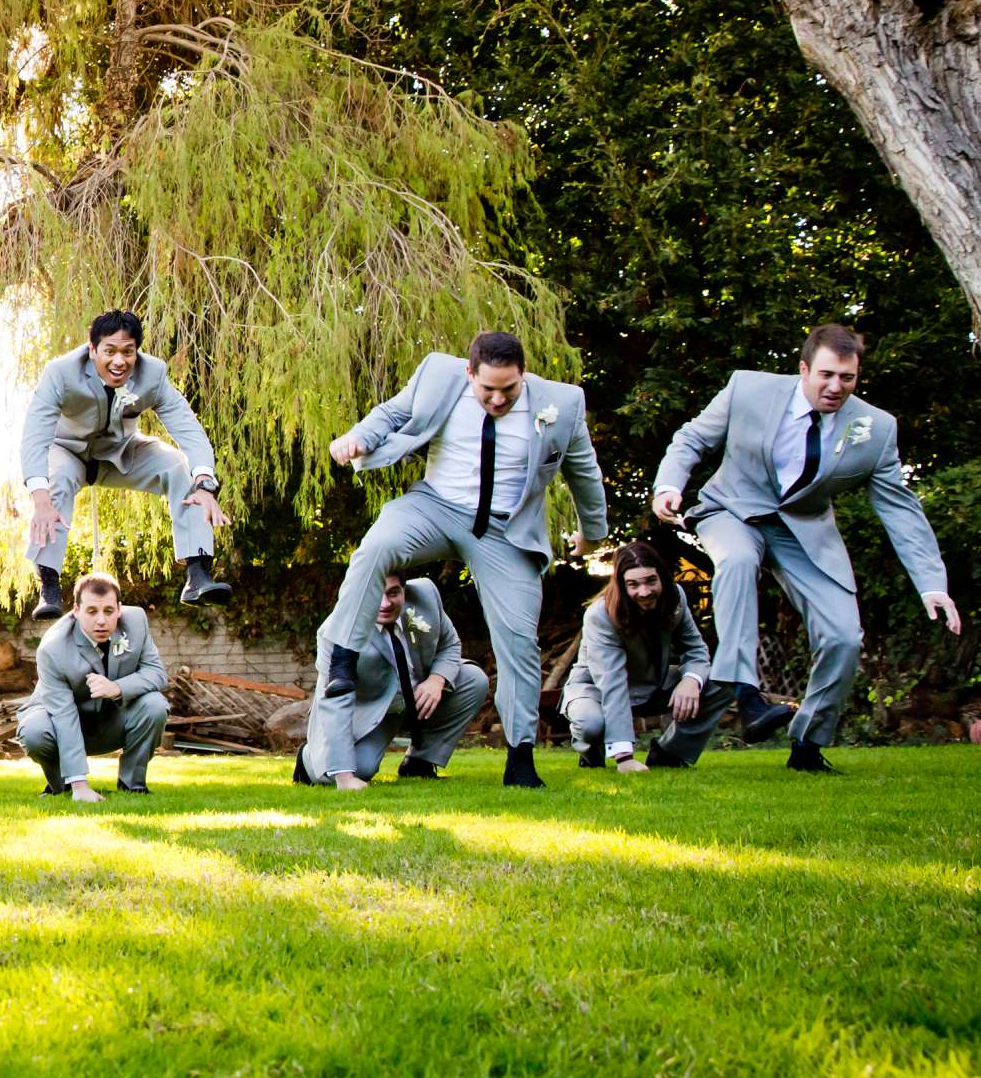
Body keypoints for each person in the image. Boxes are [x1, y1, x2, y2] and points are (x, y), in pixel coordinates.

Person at [653, 324, 959, 773]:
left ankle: (807, 747)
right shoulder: (748, 389)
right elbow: (692, 439)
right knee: (736, 562)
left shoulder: (875, 429)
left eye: (848, 378)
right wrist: (669, 485)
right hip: (732, 511)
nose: (836, 387)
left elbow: (901, 511)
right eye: (826, 375)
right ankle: (747, 695)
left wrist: (932, 584)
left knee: (843, 638)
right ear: (803, 369)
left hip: (803, 534)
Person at [316, 331, 608, 788]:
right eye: (486, 388)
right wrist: (357, 437)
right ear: (468, 372)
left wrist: (593, 534)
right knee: (375, 548)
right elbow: (393, 413)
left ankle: (521, 757)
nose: (496, 399)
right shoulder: (438, 373)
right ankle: (343, 660)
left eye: (508, 390)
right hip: (434, 506)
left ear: (523, 376)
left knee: (518, 638)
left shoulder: (564, 405)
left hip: (504, 530)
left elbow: (583, 471)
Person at [19, 311, 230, 619]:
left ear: (136, 351)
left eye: (127, 351)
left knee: (179, 466)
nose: (119, 361)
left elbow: (188, 427)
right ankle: (49, 584)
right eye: (110, 351)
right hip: (67, 452)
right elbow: (35, 435)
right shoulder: (60, 373)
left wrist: (206, 485)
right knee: (55, 483)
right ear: (92, 350)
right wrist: (39, 498)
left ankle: (197, 574)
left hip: (121, 453)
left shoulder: (153, 375)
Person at [295, 570, 489, 789]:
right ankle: (307, 759)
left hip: (418, 697)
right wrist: (344, 776)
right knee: (360, 769)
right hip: (371, 711)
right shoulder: (337, 631)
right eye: (377, 594)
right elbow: (335, 700)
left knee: (474, 680)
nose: (385, 603)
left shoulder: (425, 595)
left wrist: (436, 679)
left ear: (404, 590)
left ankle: (418, 763)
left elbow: (450, 644)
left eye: (393, 593)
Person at [564, 542, 733, 771]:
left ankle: (669, 753)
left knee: (724, 679)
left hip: (653, 683)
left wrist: (691, 680)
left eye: (651, 581)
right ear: (622, 585)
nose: (644, 592)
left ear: (661, 576)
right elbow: (611, 681)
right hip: (597, 689)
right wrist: (625, 758)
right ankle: (592, 753)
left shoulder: (675, 597)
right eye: (633, 584)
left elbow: (695, 649)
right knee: (590, 724)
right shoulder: (600, 615)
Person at [15, 572, 170, 798]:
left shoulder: (136, 623)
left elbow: (156, 673)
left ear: (119, 608)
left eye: (108, 611)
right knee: (34, 731)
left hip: (112, 719)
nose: (101, 620)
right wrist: (80, 784)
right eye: (91, 611)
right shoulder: (53, 648)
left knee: (154, 705)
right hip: (61, 721)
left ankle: (132, 785)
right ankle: (64, 785)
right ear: (76, 611)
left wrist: (117, 688)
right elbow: (62, 714)